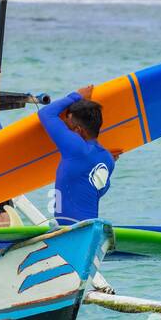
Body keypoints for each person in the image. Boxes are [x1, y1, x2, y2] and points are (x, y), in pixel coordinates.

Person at [37, 91, 114, 226]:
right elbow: (99, 189)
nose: (64, 131)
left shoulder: (76, 147)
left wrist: (75, 96)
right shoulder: (108, 159)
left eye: (67, 127)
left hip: (74, 228)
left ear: (78, 130)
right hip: (88, 226)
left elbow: (46, 113)